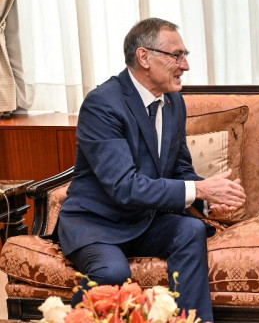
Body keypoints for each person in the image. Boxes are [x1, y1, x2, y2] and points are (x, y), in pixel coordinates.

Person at [55, 18, 246, 322]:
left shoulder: (173, 102)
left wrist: (208, 200)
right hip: (98, 224)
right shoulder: (102, 105)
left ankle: (192, 319)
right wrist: (199, 189)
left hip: (143, 221)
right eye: (176, 55)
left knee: (191, 229)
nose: (184, 66)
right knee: (113, 272)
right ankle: (63, 318)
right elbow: (124, 186)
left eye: (186, 55)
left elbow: (180, 168)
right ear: (144, 57)